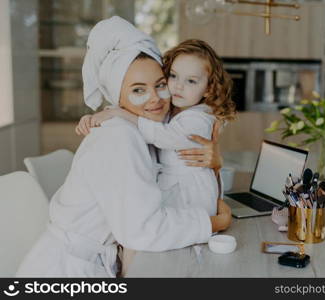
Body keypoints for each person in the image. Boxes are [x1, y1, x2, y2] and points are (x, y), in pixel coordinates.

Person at [16, 16, 231, 278]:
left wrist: (214, 160)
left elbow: (174, 142)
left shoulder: (145, 124)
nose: (155, 99)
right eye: (138, 90)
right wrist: (214, 223)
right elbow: (142, 229)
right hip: (66, 272)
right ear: (117, 97)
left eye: (160, 85)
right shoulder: (119, 138)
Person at [78, 39, 236, 217]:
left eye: (191, 81)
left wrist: (120, 114)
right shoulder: (174, 110)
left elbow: (164, 135)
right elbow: (140, 116)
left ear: (209, 88)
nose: (178, 86)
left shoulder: (200, 118)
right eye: (173, 76)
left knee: (187, 231)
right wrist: (101, 116)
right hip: (174, 187)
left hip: (191, 193)